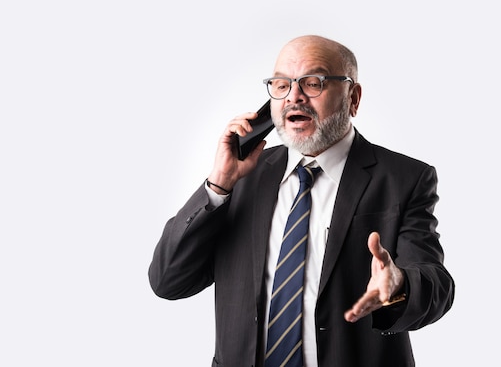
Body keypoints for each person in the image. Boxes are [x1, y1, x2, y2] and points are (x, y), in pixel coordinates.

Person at [148, 35, 454, 367]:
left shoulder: (405, 178)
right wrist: (218, 185)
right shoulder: (241, 177)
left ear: (353, 98)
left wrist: (399, 286)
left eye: (313, 83)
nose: (294, 96)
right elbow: (168, 280)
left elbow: (436, 285)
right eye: (280, 85)